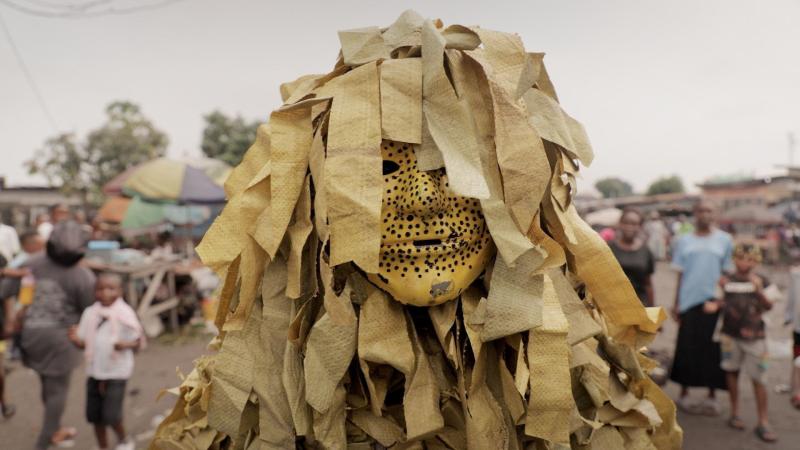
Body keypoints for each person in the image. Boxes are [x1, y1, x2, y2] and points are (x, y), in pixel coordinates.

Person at [18, 221, 96, 449]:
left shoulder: (30, 264)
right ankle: (44, 441)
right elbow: (90, 311)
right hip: (61, 340)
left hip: (31, 336)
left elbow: (6, 290)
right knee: (57, 391)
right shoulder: (84, 276)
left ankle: (56, 429)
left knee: (47, 384)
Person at [704, 244, 777, 442]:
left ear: (757, 261)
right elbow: (718, 300)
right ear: (735, 259)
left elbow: (769, 306)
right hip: (729, 335)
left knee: (759, 378)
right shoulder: (725, 279)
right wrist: (714, 305)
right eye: (742, 258)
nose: (746, 262)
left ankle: (763, 420)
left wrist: (759, 290)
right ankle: (735, 413)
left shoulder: (763, 280)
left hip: (756, 337)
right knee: (731, 372)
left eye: (751, 259)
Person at [669, 200, 733, 415]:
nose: (705, 214)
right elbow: (680, 273)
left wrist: (722, 301)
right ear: (695, 214)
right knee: (687, 348)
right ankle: (684, 393)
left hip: (712, 303)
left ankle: (712, 396)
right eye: (701, 210)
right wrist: (676, 302)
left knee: (712, 351)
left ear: (715, 214)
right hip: (688, 302)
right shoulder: (683, 241)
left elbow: (727, 274)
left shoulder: (725, 240)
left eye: (709, 210)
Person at [68, 273, 142, 450]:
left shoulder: (125, 313)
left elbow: (138, 342)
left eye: (111, 289)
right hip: (94, 371)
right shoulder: (90, 313)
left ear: (120, 291)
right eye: (100, 289)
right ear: (94, 292)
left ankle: (124, 440)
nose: (105, 293)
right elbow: (84, 342)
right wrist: (75, 340)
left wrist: (126, 344)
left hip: (117, 371)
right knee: (95, 416)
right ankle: (103, 446)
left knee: (111, 415)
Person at [609, 208, 655, 306]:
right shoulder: (608, 248)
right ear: (620, 224)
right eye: (626, 223)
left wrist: (652, 310)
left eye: (634, 224)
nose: (629, 227)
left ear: (640, 226)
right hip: (613, 307)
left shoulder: (645, 251)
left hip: (640, 306)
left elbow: (648, 284)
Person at [786, 261, 800, 410]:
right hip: (799, 326)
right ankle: (796, 391)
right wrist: (788, 315)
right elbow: (791, 297)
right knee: (798, 357)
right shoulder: (796, 273)